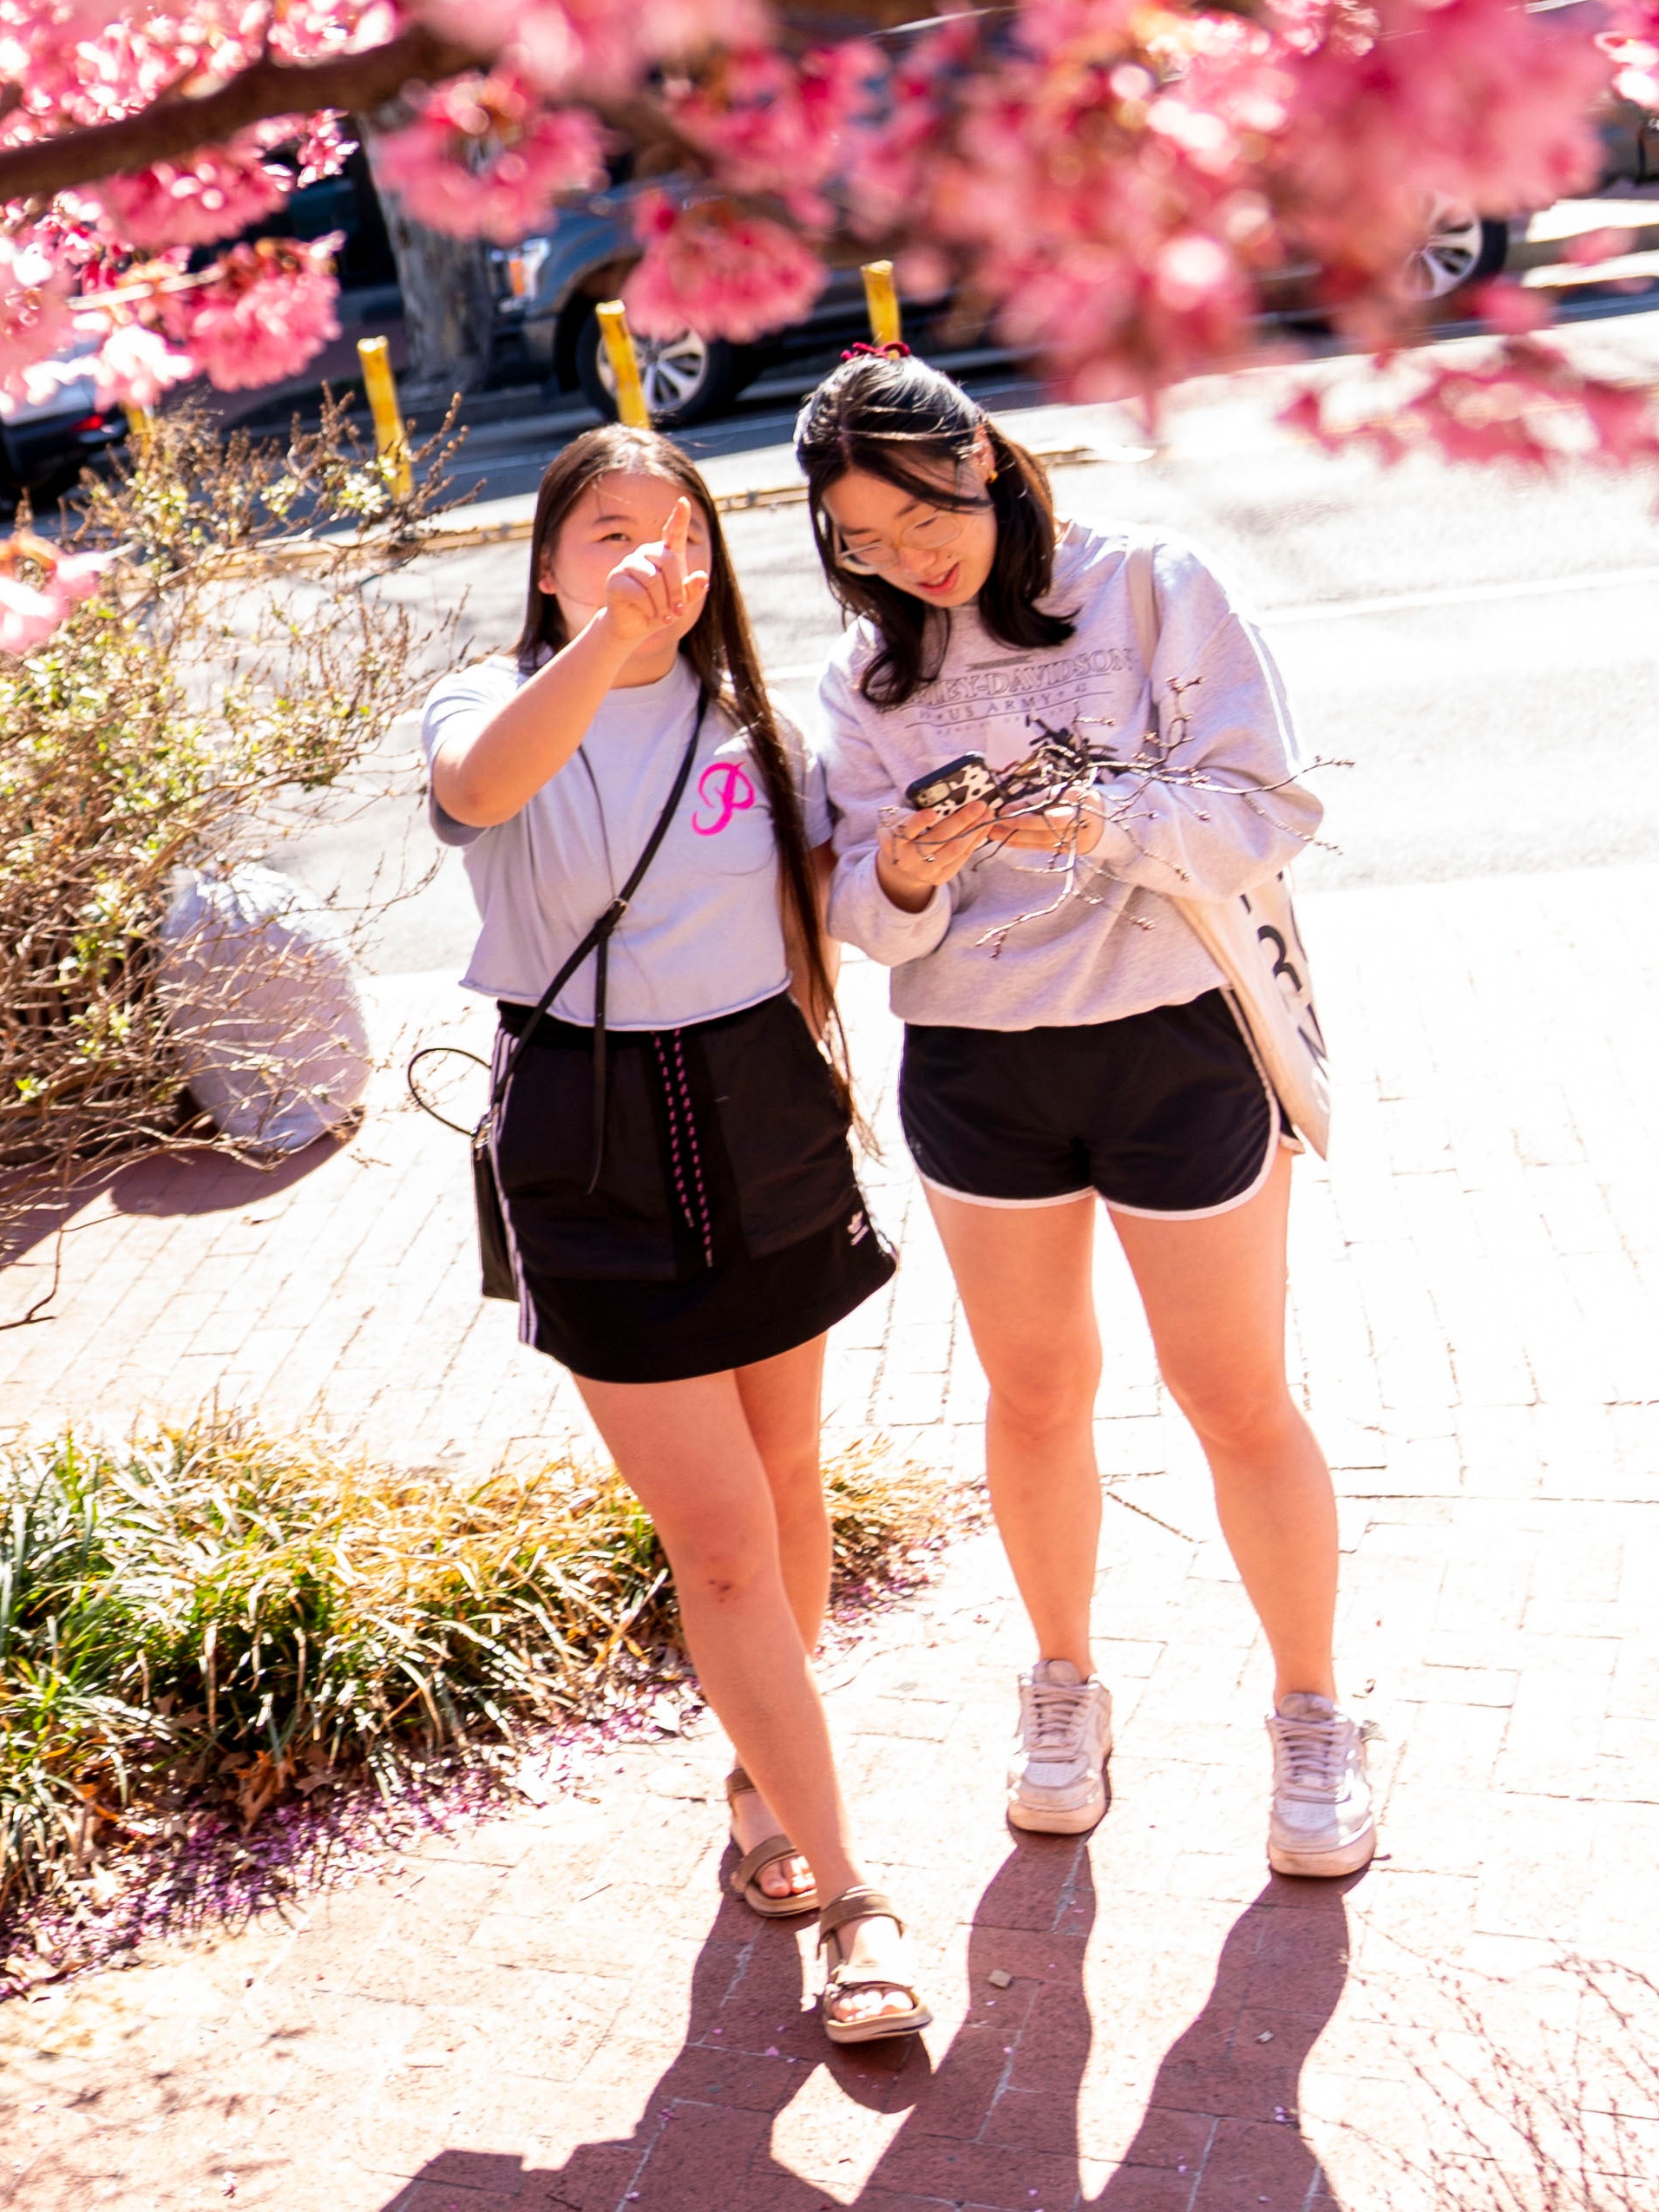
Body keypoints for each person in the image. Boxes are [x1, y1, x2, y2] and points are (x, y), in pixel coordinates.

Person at [789, 350, 1378, 1881]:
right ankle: (1063, 1687)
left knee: (1233, 1392)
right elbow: (866, 909)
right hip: (982, 1069)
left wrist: (1101, 813)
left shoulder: (1152, 587)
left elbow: (1267, 809)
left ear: (977, 462)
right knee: (1035, 1392)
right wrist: (915, 867)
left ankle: (1315, 1712)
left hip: (1175, 1038)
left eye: (919, 514)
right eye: (862, 540)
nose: (908, 557)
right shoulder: (866, 685)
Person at [422, 422, 927, 2041]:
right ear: (551, 561)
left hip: (761, 1110)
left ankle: (764, 1799)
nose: (653, 558)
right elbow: (475, 790)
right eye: (612, 532)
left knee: (787, 1487)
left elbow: (811, 934)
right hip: (592, 1136)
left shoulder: (753, 729)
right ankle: (858, 1905)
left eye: (682, 534)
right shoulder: (500, 708)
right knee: (718, 1542)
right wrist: (606, 648)